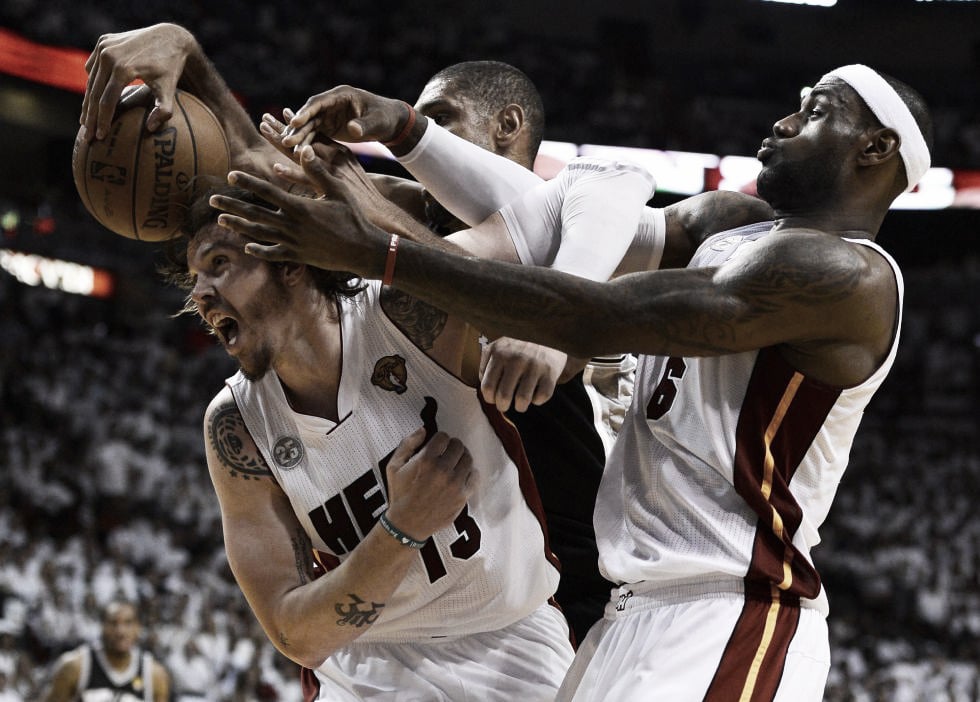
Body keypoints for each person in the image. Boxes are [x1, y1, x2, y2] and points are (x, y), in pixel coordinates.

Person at [211, 64, 931, 701]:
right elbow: (569, 198)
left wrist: (380, 252)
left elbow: (599, 317)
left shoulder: (847, 278)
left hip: (733, 607)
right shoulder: (731, 230)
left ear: (874, 149)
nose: (782, 120)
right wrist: (404, 130)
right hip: (630, 615)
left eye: (815, 112)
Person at [42, 599, 171, 702]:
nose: (120, 631)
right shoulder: (74, 667)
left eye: (128, 623)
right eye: (113, 623)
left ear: (138, 628)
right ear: (102, 626)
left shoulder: (155, 675)